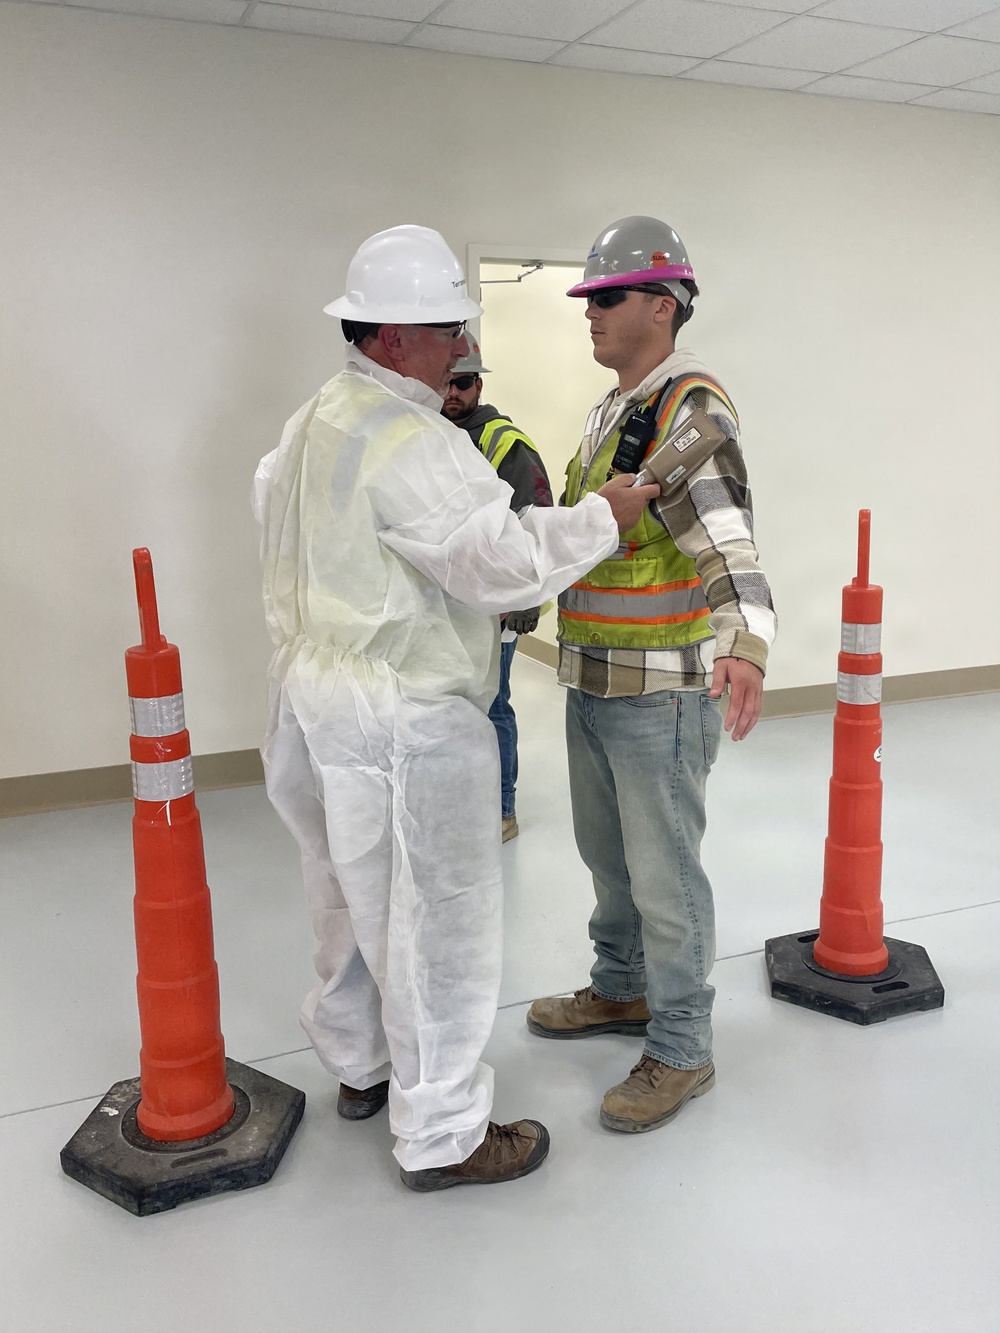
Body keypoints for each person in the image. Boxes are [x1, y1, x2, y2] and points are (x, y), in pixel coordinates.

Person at [253, 224, 660, 1191]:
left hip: (311, 699)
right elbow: (498, 566)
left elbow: (279, 512)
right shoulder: (412, 441)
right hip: (400, 715)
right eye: (448, 330)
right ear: (393, 335)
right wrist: (605, 518)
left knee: (345, 898)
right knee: (434, 919)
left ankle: (362, 1066)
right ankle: (444, 1133)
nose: (462, 348)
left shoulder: (314, 420)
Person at [526, 215, 777, 1135]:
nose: (590, 311)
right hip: (594, 682)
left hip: (660, 695)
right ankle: (622, 986)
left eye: (610, 295)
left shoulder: (687, 410)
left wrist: (745, 640)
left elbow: (728, 538)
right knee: (609, 860)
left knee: (665, 878)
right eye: (590, 297)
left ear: (664, 305)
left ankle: (681, 1044)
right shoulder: (615, 410)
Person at [442, 337, 553, 843]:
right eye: (446, 382)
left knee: (493, 705)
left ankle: (502, 809)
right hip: (451, 604)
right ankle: (464, 802)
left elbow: (536, 522)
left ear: (479, 386)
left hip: (497, 610)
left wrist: (528, 598)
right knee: (456, 707)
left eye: (463, 383)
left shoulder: (505, 443)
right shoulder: (429, 433)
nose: (452, 392)